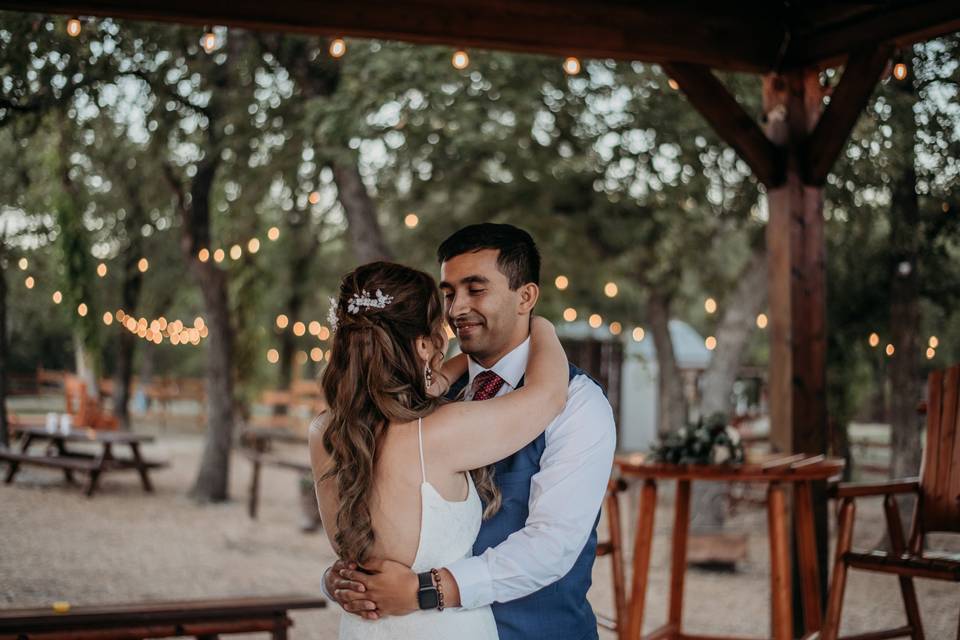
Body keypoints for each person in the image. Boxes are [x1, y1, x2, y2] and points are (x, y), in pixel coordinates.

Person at [321, 224, 617, 640]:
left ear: (526, 297)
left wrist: (427, 591)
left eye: (475, 290)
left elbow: (552, 546)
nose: (456, 308)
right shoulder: (424, 399)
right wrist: (348, 577)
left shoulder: (579, 402)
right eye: (447, 294)